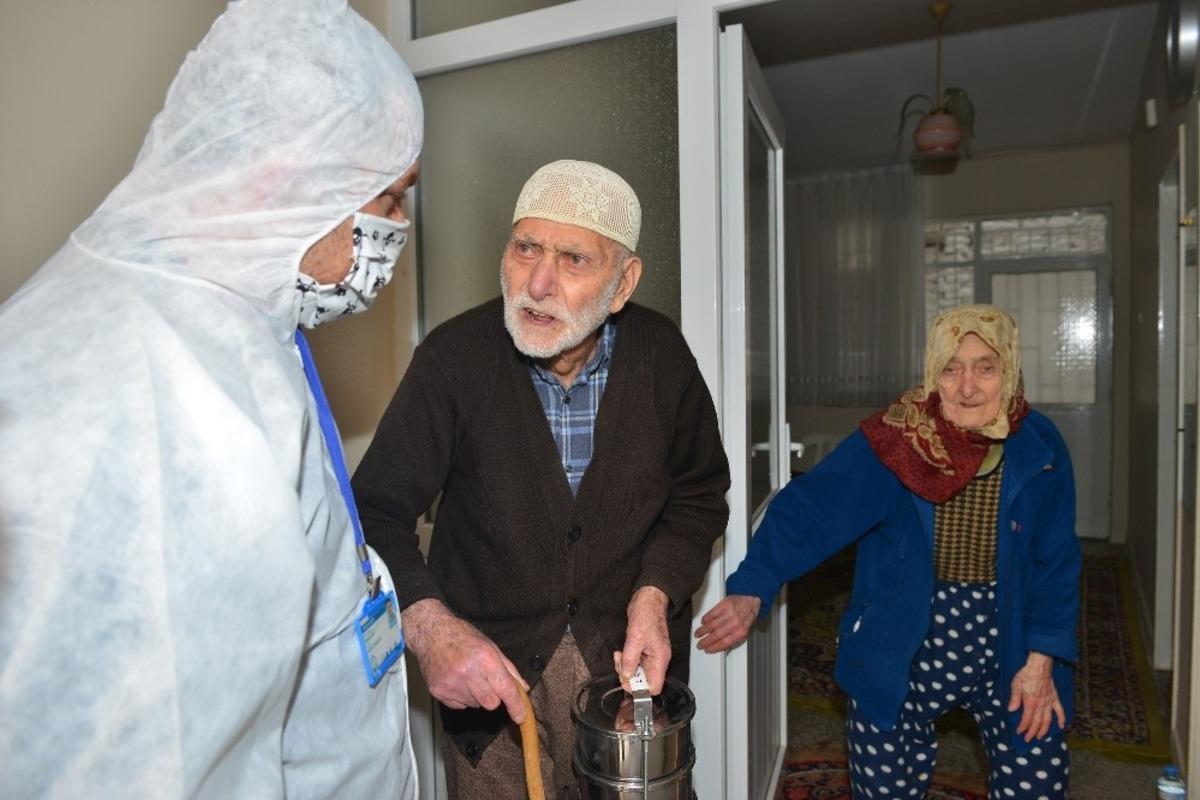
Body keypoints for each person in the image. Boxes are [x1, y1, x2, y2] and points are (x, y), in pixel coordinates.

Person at [0, 1, 423, 797]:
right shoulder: (162, 399)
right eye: (390, 199)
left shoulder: (239, 319)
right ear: (288, 178)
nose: (398, 231)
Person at [353, 159, 730, 798]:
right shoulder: (453, 359)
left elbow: (698, 495)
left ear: (623, 281)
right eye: (526, 248)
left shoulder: (662, 357)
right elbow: (373, 512)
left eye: (574, 260)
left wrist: (655, 594)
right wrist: (431, 629)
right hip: (489, 691)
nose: (538, 283)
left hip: (621, 684)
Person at [697, 304, 1080, 800]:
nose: (968, 387)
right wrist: (753, 585)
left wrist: (1042, 657)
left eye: (986, 367)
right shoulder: (897, 438)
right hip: (903, 636)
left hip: (1011, 640)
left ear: (1009, 369)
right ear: (932, 373)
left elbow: (1057, 560)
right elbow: (816, 508)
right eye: (951, 367)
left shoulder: (1040, 447)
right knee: (884, 784)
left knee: (1038, 774)